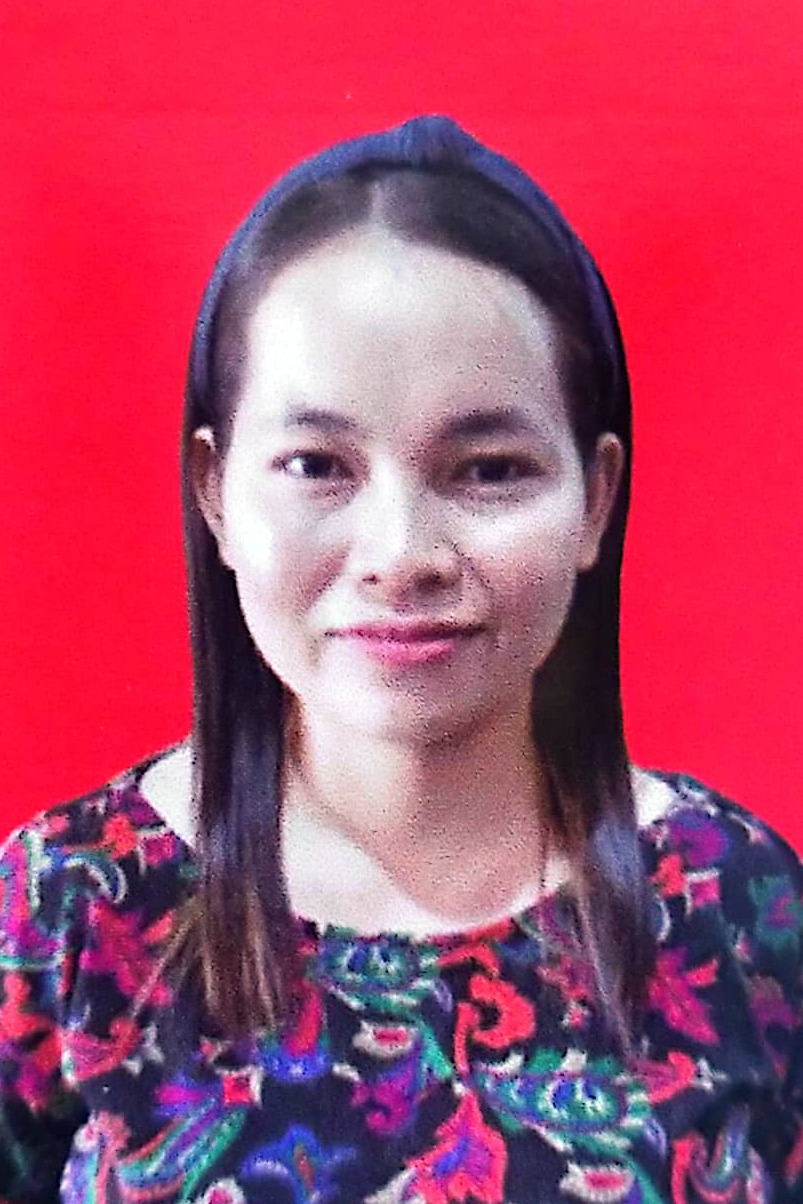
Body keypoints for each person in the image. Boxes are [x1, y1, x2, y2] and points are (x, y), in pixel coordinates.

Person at [1, 115, 801, 1204]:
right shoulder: (65, 913)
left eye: (488, 469)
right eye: (316, 464)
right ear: (215, 494)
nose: (400, 555)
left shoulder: (733, 899)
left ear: (595, 499)